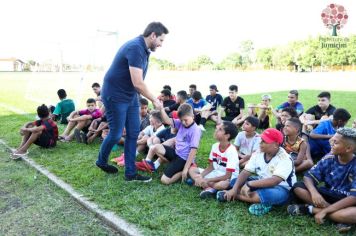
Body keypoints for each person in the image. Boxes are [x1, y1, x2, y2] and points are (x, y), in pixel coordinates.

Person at [96, 22, 168, 182]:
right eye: (161, 40)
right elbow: (138, 82)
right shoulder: (135, 47)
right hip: (115, 94)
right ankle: (101, 161)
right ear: (153, 35)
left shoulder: (145, 49)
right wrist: (155, 100)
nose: (161, 44)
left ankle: (130, 173)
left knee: (133, 133)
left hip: (130, 95)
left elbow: (136, 83)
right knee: (115, 133)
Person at [287, 128, 356, 233]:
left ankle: (310, 210)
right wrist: (314, 193)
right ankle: (340, 218)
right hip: (327, 196)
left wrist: (326, 210)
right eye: (332, 139)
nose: (331, 142)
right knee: (298, 187)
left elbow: (353, 198)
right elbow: (308, 176)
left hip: (347, 200)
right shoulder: (330, 157)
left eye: (335, 142)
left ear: (348, 148)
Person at [218, 128, 296, 216]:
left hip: (281, 188)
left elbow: (274, 181)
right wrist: (235, 188)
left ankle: (233, 196)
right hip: (260, 180)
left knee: (270, 194)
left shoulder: (285, 159)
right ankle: (254, 199)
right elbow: (245, 172)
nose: (260, 143)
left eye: (264, 141)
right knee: (235, 182)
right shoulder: (258, 152)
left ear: (276, 144)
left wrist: (249, 184)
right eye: (261, 140)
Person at [137, 104, 201, 185]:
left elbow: (193, 150)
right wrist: (161, 109)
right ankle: (160, 164)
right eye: (181, 120)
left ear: (192, 116)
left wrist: (186, 168)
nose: (183, 123)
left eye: (186, 120)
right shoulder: (181, 122)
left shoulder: (195, 130)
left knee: (164, 180)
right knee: (156, 147)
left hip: (183, 159)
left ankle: (184, 171)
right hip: (176, 153)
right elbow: (167, 120)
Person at [187, 121, 239, 199]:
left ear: (227, 136)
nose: (216, 129)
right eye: (218, 127)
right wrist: (201, 176)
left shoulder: (231, 151)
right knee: (192, 170)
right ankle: (207, 186)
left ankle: (204, 185)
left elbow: (228, 175)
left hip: (227, 178)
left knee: (222, 185)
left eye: (220, 129)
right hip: (215, 173)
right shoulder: (215, 146)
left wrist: (207, 180)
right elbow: (211, 167)